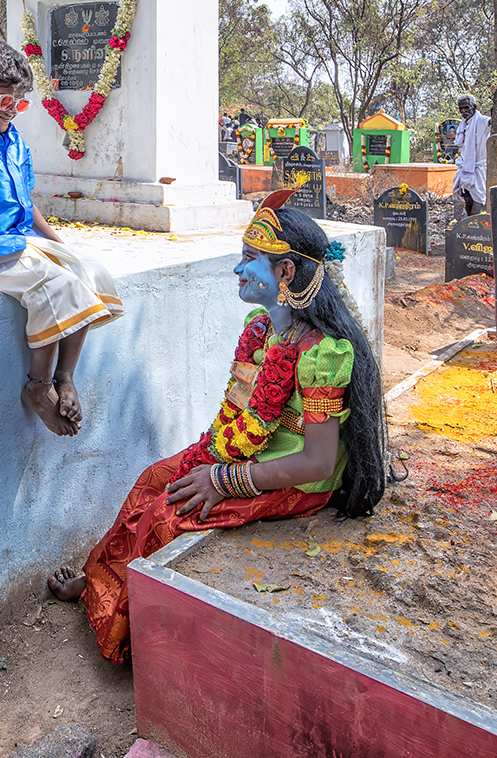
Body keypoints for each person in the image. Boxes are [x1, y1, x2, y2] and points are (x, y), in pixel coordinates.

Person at [48, 191, 388, 662]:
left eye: (250, 259)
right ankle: (101, 586)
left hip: (298, 477)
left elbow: (317, 460)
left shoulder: (321, 351)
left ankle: (128, 630)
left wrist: (223, 480)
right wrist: (215, 460)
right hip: (247, 453)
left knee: (165, 517)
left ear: (286, 273)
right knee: (153, 479)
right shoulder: (264, 327)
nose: (238, 270)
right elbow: (243, 416)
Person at [0, 38, 124, 437]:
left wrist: (61, 246)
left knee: (88, 271)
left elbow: (28, 206)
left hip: (23, 245)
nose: (12, 111)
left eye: (19, 103)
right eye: (4, 102)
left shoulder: (15, 142)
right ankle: (37, 388)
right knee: (59, 286)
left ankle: (64, 377)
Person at [452, 93, 490, 217]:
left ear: (474, 107)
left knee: (477, 203)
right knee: (467, 200)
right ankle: (470, 228)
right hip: (465, 167)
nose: (463, 111)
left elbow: (492, 123)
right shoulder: (463, 125)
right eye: (461, 108)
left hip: (478, 168)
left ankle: (476, 231)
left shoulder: (482, 121)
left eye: (466, 108)